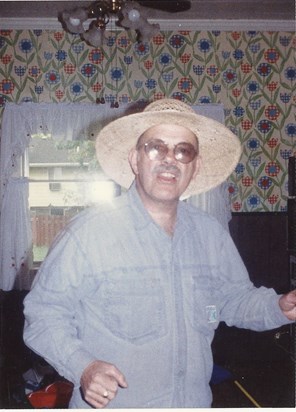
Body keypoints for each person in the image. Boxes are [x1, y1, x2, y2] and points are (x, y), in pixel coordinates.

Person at [23, 99, 296, 409]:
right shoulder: (87, 234)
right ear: (135, 160)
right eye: (156, 147)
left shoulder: (211, 234)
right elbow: (43, 315)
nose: (170, 159)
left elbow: (234, 299)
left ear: (195, 167)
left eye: (183, 151)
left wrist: (279, 307)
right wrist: (83, 366)